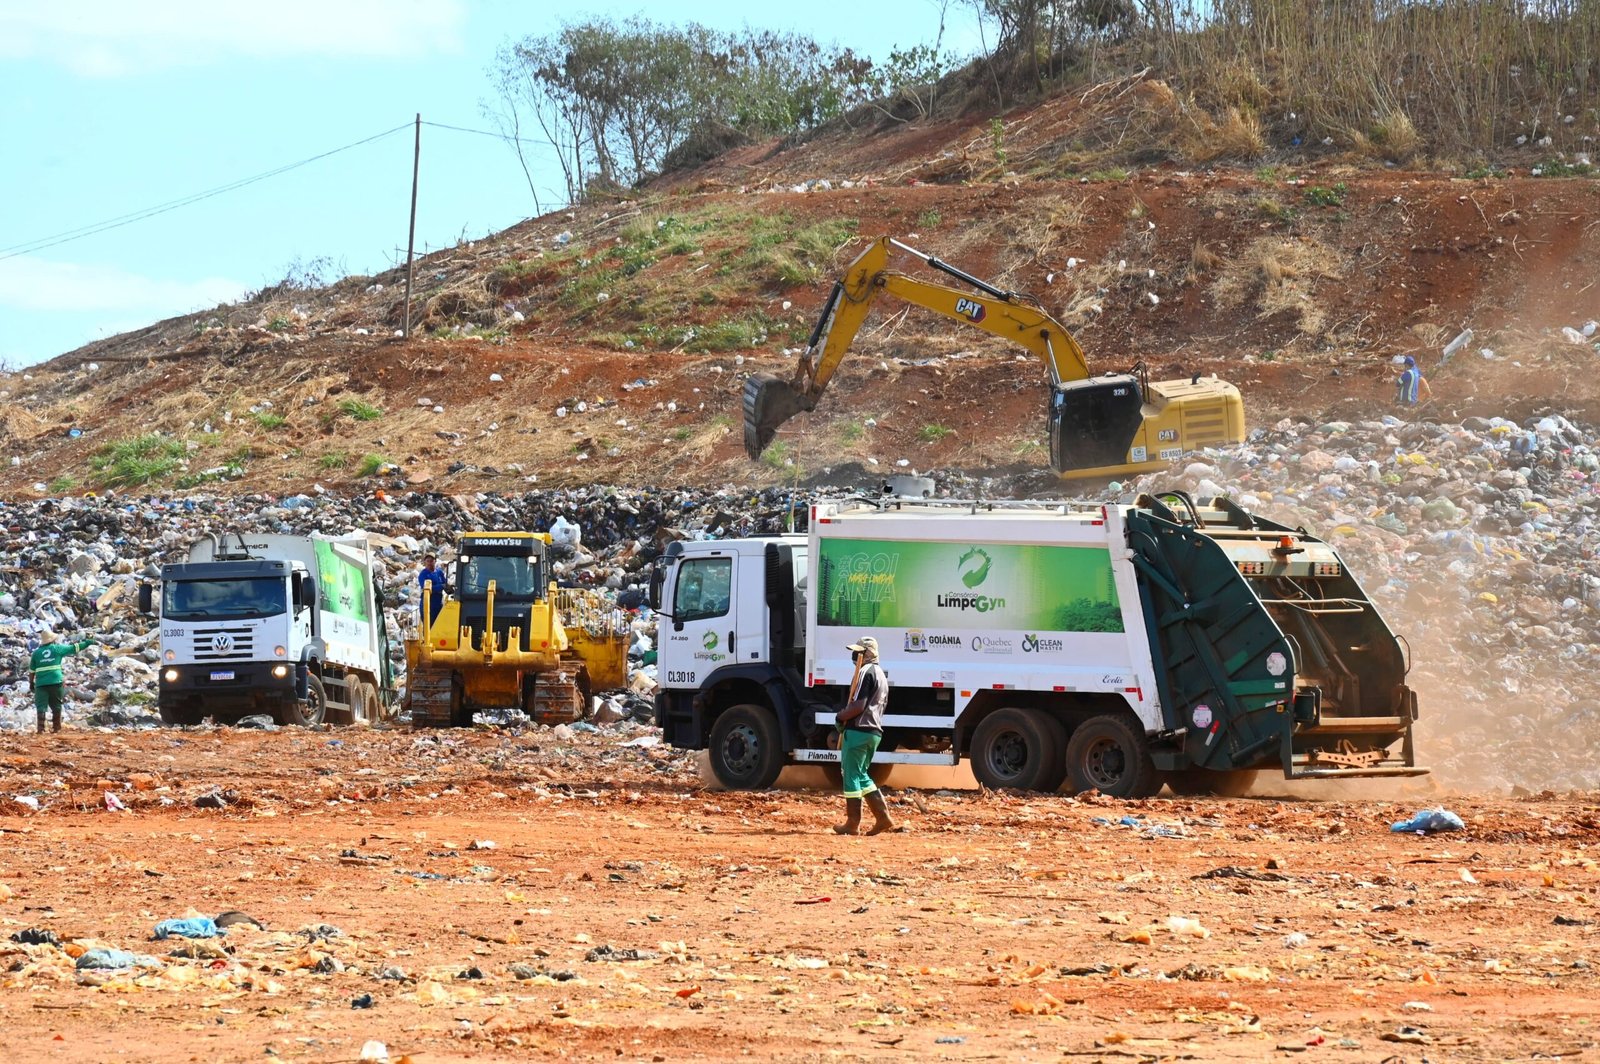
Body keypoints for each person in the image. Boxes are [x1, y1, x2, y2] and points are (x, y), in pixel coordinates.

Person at [833, 637, 898, 836]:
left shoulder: (865, 672)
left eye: (859, 652)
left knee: (851, 775)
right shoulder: (880, 674)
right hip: (873, 732)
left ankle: (852, 823)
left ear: (867, 654)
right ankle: (882, 817)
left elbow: (858, 705)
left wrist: (840, 716)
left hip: (859, 730)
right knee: (861, 775)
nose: (855, 655)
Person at [29, 630, 95, 734]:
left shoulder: (36, 653)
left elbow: (32, 671)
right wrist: (87, 642)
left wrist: (31, 683)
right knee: (56, 704)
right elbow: (74, 648)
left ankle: (41, 729)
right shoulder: (57, 649)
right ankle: (56, 728)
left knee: (41, 706)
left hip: (41, 683)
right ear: (53, 640)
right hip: (56, 681)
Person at [417, 555, 447, 630]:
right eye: (428, 561)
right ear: (425, 562)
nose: (429, 563)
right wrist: (441, 586)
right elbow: (426, 588)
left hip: (438, 604)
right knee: (429, 627)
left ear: (435, 561)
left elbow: (445, 583)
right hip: (428, 605)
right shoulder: (423, 574)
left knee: (438, 627)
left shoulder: (439, 572)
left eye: (431, 561)